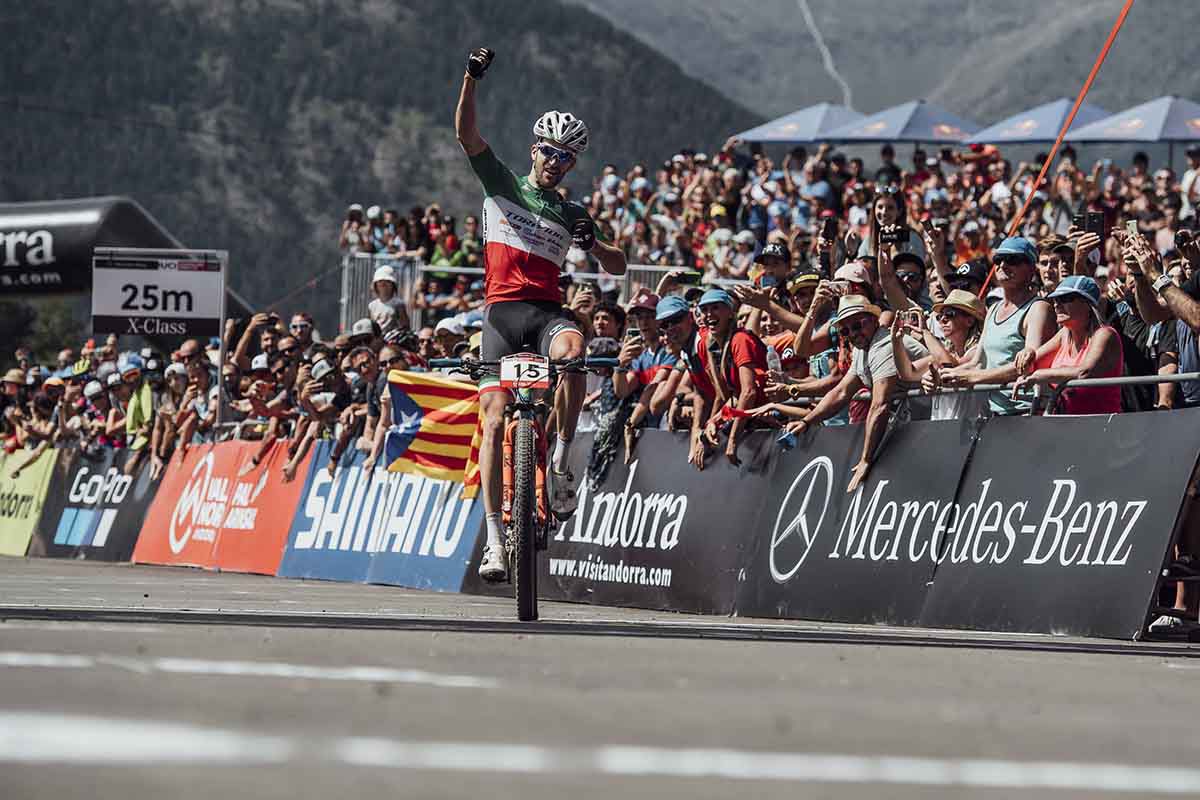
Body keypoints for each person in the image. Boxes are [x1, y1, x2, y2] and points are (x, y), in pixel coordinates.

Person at [456, 45, 627, 581]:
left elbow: (618, 266)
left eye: (567, 158)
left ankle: (560, 464)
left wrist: (594, 245)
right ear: (535, 151)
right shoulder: (502, 183)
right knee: (493, 421)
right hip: (502, 316)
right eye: (550, 152)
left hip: (547, 313)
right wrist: (471, 78)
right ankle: (495, 539)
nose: (556, 163)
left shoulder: (572, 210)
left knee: (575, 353)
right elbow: (466, 135)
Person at [775, 294, 928, 493]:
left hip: (936, 415)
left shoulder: (883, 345)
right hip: (918, 419)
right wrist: (807, 422)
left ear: (874, 320)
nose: (853, 334)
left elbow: (879, 405)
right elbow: (841, 392)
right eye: (845, 330)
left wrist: (865, 459)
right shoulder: (861, 348)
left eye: (857, 326)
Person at [937, 237, 1057, 415]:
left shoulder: (1039, 308)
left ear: (1032, 269)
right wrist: (943, 377)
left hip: (1028, 413)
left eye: (1013, 260)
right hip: (995, 415)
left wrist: (971, 378)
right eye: (998, 260)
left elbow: (1027, 367)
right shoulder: (993, 309)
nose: (1003, 265)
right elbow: (978, 363)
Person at [1011, 275, 1123, 414]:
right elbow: (1032, 364)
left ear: (1087, 305)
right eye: (1055, 300)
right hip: (1063, 425)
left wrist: (1039, 375)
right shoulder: (1064, 334)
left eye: (1065, 299)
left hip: (1100, 427)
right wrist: (1027, 353)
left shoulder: (1105, 334)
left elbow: (1084, 372)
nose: (1057, 304)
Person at [892, 290, 986, 420]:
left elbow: (949, 365)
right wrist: (896, 341)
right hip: (942, 425)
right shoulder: (945, 353)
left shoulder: (978, 351)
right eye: (939, 316)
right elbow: (908, 372)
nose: (942, 319)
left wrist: (925, 331)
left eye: (949, 314)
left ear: (969, 321)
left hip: (972, 429)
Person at [368, 265, 410, 334]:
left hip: (393, 340)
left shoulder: (398, 304)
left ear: (393, 284)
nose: (383, 284)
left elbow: (405, 325)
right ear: (375, 285)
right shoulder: (372, 305)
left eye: (387, 281)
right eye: (380, 281)